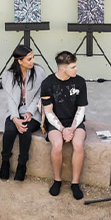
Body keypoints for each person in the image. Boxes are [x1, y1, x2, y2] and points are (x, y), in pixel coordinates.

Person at [40, 51, 88, 199]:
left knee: (78, 144)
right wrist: (62, 129)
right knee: (57, 145)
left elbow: (81, 109)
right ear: (62, 69)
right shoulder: (47, 83)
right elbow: (48, 111)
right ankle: (57, 180)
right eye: (73, 67)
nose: (76, 69)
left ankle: (75, 183)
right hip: (55, 122)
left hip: (75, 122)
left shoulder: (80, 81)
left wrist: (72, 129)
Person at [0, 44, 44, 181]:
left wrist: (30, 112)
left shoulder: (39, 72)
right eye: (29, 59)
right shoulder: (8, 75)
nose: (32, 61)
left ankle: (22, 164)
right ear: (19, 61)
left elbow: (38, 95)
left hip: (32, 111)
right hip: (14, 110)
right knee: (10, 130)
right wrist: (15, 118)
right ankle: (5, 161)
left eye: (33, 58)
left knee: (25, 131)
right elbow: (10, 99)